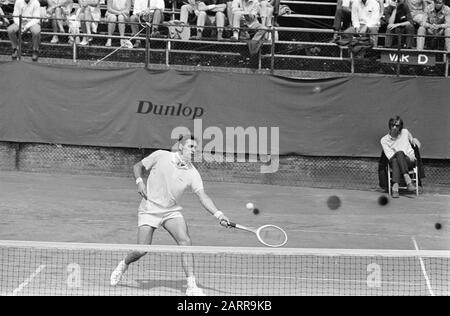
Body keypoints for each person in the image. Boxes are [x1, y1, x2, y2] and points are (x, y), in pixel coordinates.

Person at [110, 135, 230, 296]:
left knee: (185, 242)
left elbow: (203, 196)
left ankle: (191, 286)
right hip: (149, 209)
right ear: (181, 147)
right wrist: (139, 181)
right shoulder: (161, 155)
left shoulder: (192, 172)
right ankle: (123, 264)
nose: (195, 151)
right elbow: (137, 166)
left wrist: (219, 214)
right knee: (141, 250)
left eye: (196, 148)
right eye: (191, 147)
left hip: (171, 211)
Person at [380, 116, 421, 198]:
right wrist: (400, 153)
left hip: (409, 160)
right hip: (393, 159)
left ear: (400, 127)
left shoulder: (405, 132)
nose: (394, 127)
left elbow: (410, 136)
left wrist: (413, 139)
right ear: (390, 126)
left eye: (397, 125)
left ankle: (395, 189)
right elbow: (390, 156)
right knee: (397, 156)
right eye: (392, 125)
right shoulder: (384, 140)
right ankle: (408, 181)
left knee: (398, 158)